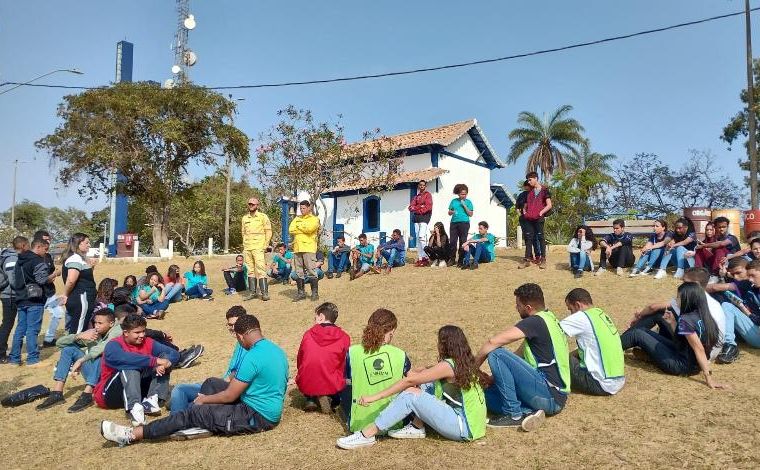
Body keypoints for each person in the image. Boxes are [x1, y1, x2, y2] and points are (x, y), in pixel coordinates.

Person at [100, 314, 288, 446]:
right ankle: (192, 420)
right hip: (261, 405)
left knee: (192, 413)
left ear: (240, 336)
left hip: (257, 416)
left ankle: (133, 434)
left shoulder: (251, 357)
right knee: (212, 383)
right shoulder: (276, 350)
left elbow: (230, 396)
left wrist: (204, 400)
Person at [337, 325, 487, 449]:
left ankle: (367, 434)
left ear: (445, 344)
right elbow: (428, 372)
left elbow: (409, 381)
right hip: (474, 425)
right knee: (426, 383)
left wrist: (375, 397)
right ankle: (417, 427)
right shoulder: (462, 362)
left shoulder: (448, 366)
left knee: (410, 395)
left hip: (463, 427)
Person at [475, 283, 569, 431]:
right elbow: (518, 357)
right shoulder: (550, 318)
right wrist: (493, 379)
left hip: (549, 394)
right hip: (554, 397)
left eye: (518, 305)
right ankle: (528, 413)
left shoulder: (535, 322)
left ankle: (513, 414)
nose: (516, 308)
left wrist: (469, 370)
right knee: (483, 393)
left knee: (496, 353)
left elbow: (492, 342)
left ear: (528, 308)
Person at [620, 283, 727, 389]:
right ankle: (637, 350)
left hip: (681, 365)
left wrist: (709, 378)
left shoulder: (686, 320)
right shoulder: (706, 316)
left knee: (637, 334)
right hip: (686, 357)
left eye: (678, 297)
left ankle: (608, 349)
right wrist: (672, 323)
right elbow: (685, 341)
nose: (675, 300)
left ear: (687, 300)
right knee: (642, 331)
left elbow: (699, 349)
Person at [93, 313, 180, 426]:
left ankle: (152, 400)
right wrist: (155, 361)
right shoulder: (113, 345)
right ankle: (133, 407)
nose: (142, 335)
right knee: (129, 365)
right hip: (109, 395)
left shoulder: (147, 342)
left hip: (137, 389)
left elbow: (173, 354)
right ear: (126, 332)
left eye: (143, 331)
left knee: (165, 357)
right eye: (137, 332)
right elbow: (123, 359)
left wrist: (164, 364)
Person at [628, 267, 725, 361]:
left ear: (695, 284)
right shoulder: (712, 302)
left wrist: (639, 315)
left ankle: (623, 340)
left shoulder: (688, 298)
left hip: (694, 355)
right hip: (710, 353)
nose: (681, 285)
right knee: (665, 313)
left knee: (658, 313)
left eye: (685, 282)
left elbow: (653, 307)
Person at [35, 307, 121, 412]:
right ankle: (57, 393)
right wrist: (79, 336)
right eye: (95, 323)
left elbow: (103, 348)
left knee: (101, 355)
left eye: (100, 323)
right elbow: (59, 344)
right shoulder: (94, 333)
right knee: (68, 349)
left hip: (112, 377)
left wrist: (81, 360)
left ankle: (87, 395)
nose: (96, 326)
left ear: (111, 323)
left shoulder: (118, 330)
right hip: (96, 374)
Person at [169, 306, 246, 416]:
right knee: (181, 390)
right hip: (222, 384)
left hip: (228, 389)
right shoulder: (239, 343)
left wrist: (225, 380)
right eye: (230, 325)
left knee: (183, 394)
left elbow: (238, 375)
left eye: (235, 324)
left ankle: (175, 421)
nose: (233, 328)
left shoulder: (248, 345)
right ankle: (176, 411)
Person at [344, 308, 411, 433]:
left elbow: (348, 377)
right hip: (393, 423)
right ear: (391, 331)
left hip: (359, 423)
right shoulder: (401, 355)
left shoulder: (352, 352)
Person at [560, 288, 625, 396]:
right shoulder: (601, 314)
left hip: (599, 383)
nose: (570, 313)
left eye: (570, 309)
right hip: (617, 381)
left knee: (555, 355)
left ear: (578, 305)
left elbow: (550, 332)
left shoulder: (582, 317)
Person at [295, 302, 350, 413]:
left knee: (311, 371)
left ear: (321, 317)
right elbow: (345, 362)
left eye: (315, 316)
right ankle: (331, 397)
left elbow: (300, 359)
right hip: (331, 381)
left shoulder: (308, 334)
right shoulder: (344, 337)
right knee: (337, 376)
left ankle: (311, 398)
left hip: (307, 380)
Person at [706, 258, 760, 364]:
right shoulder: (750, 286)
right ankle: (730, 345)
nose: (750, 279)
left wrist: (745, 310)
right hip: (755, 332)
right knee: (726, 305)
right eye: (749, 276)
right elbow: (716, 287)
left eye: (753, 275)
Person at [8, 238, 51, 366]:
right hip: (35, 300)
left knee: (20, 329)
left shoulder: (18, 261)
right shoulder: (37, 260)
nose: (46, 252)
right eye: (45, 249)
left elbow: (15, 281)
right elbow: (42, 280)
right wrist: (53, 275)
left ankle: (14, 359)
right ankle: (32, 359)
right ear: (38, 247)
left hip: (21, 299)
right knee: (32, 330)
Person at [59, 233, 97, 334]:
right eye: (87, 243)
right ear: (78, 244)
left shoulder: (80, 259)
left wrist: (91, 267)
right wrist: (65, 294)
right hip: (81, 299)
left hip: (85, 298)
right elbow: (71, 280)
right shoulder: (75, 258)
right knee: (78, 331)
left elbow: (85, 278)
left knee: (81, 327)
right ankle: (71, 349)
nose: (89, 245)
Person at [33, 230, 64, 348]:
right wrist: (53, 275)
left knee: (58, 313)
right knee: (36, 320)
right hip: (37, 294)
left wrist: (56, 273)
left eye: (49, 239)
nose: (49, 241)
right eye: (46, 239)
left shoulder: (48, 256)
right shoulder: (31, 257)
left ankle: (48, 339)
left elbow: (53, 272)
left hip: (50, 293)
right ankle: (32, 342)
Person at [0, 236, 27, 363]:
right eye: (27, 245)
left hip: (11, 295)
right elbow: (13, 279)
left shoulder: (13, 257)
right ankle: (1, 354)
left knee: (9, 324)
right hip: (10, 296)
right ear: (22, 245)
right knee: (7, 324)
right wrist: (22, 291)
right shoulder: (11, 258)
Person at [241, 197, 273, 301]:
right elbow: (243, 232)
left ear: (257, 205)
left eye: (253, 204)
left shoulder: (263, 217)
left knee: (261, 270)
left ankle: (264, 293)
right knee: (250, 270)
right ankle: (252, 292)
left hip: (259, 246)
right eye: (249, 204)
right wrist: (244, 245)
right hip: (248, 247)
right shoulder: (245, 218)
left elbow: (268, 231)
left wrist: (266, 244)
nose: (251, 206)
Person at [519, 172, 552, 270]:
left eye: (530, 180)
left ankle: (543, 260)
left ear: (536, 178)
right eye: (528, 180)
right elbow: (525, 205)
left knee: (541, 238)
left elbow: (549, 205)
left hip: (539, 218)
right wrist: (525, 212)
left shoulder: (545, 190)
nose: (529, 182)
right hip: (529, 218)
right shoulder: (529, 192)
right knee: (528, 239)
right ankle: (527, 260)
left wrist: (541, 212)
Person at [289, 200, 321, 302]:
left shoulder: (314, 219)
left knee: (311, 270)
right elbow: (291, 229)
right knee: (299, 271)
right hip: (297, 248)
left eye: (304, 208)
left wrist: (299, 227)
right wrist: (303, 228)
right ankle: (301, 293)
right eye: (300, 208)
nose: (302, 210)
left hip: (308, 248)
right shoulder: (297, 218)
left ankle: (314, 293)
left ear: (309, 208)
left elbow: (310, 229)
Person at [448, 184, 474, 267]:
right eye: (462, 194)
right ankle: (452, 259)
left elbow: (470, 214)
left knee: (463, 242)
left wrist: (464, 205)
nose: (464, 195)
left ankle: (460, 260)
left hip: (464, 223)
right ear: (458, 194)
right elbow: (449, 212)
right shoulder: (454, 201)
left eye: (465, 194)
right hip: (454, 223)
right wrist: (451, 212)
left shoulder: (469, 202)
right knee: (452, 242)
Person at [408, 180, 433, 267]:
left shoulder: (428, 195)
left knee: (422, 237)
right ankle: (420, 258)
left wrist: (417, 208)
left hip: (424, 218)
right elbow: (410, 207)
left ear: (425, 186)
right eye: (420, 185)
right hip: (416, 219)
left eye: (423, 185)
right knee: (418, 239)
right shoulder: (416, 196)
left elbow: (428, 207)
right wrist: (420, 206)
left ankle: (426, 257)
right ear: (419, 186)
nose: (422, 186)